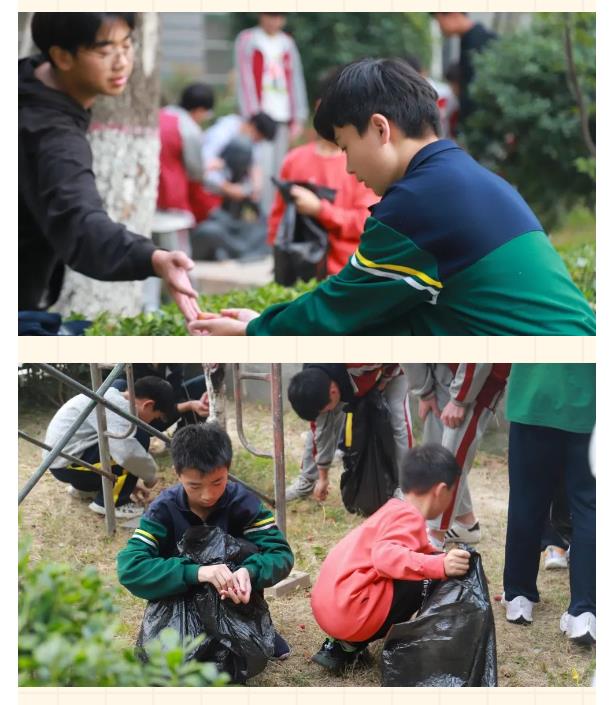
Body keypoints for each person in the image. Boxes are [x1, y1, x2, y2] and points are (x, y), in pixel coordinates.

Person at [188, 58, 595, 337]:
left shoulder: (416, 204)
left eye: (345, 146)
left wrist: (256, 331)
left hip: (565, 384)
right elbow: (393, 313)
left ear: (381, 129)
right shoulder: (464, 175)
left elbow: (341, 306)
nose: (348, 167)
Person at [19, 12, 201, 335]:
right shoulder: (53, 138)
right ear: (62, 56)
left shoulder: (27, 77)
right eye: (104, 52)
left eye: (127, 44)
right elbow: (82, 225)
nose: (122, 62)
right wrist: (154, 258)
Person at [117, 423, 294, 659]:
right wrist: (196, 572)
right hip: (183, 601)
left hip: (236, 598)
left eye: (218, 482)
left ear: (228, 470)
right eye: (194, 486)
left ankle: (252, 623)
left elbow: (280, 554)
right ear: (177, 473)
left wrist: (249, 572)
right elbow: (130, 567)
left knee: (246, 549)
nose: (208, 495)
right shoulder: (163, 510)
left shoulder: (243, 503)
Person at [309, 444, 470, 673]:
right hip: (350, 615)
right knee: (425, 579)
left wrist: (439, 557)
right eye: (452, 494)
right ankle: (350, 643)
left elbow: (417, 550)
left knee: (420, 567)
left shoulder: (394, 508)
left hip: (327, 606)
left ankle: (341, 642)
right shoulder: (411, 517)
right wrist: (440, 565)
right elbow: (385, 557)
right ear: (440, 490)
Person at [501, 364, 595, 646]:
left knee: (526, 499)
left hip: (534, 398)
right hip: (592, 404)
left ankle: (519, 596)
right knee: (590, 507)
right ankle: (586, 612)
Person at [267, 71, 378, 276]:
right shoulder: (294, 159)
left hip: (345, 274)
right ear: (319, 107)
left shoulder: (363, 163)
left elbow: (366, 223)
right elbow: (278, 218)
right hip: (299, 271)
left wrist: (319, 210)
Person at [403, 363, 510, 546]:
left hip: (478, 374)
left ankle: (434, 537)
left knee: (452, 452)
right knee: (436, 446)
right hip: (440, 366)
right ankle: (465, 522)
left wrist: (461, 398)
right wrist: (424, 390)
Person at [44, 376, 176, 519]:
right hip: (67, 465)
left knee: (127, 443)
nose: (152, 421)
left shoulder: (112, 395)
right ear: (148, 405)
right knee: (138, 440)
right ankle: (113, 503)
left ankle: (83, 490)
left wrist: (128, 485)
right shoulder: (119, 409)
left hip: (62, 460)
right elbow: (127, 455)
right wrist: (151, 476)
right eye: (155, 417)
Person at [286, 364, 411, 502]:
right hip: (351, 376)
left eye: (325, 409)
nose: (325, 413)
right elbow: (321, 432)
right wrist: (323, 477)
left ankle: (406, 486)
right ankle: (307, 482)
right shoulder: (314, 382)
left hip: (394, 368)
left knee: (397, 420)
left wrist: (384, 380)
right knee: (321, 425)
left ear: (333, 392)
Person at [234, 13, 308, 214]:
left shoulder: (287, 43)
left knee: (280, 170)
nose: (273, 21)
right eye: (270, 15)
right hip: (260, 118)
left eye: (278, 16)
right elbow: (244, 79)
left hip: (282, 115)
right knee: (261, 170)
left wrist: (298, 116)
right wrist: (251, 115)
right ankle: (262, 218)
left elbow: (296, 80)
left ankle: (277, 215)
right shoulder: (248, 39)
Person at [157, 83, 215, 221]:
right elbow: (196, 173)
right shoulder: (189, 129)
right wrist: (209, 167)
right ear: (200, 110)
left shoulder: (160, 114)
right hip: (170, 197)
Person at [432, 12, 497, 128]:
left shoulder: (479, 41)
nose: (440, 27)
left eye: (439, 21)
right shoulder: (467, 39)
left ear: (453, 13)